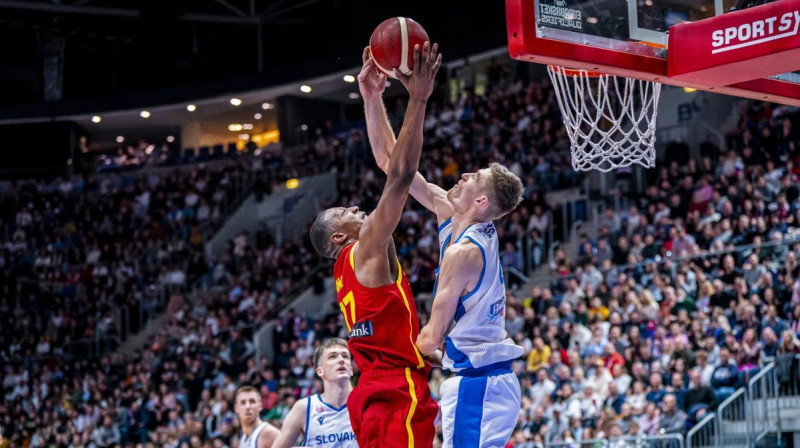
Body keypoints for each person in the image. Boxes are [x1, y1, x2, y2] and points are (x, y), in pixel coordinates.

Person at [359, 43, 524, 447]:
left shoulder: (462, 252)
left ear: (482, 202)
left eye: (474, 178)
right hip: (481, 382)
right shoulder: (452, 217)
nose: (464, 174)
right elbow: (392, 165)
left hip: (478, 384)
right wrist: (373, 97)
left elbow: (431, 339)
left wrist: (384, 354)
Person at [309, 41, 442, 448]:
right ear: (338, 236)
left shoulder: (347, 268)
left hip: (374, 393)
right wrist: (418, 98)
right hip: (394, 391)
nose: (354, 206)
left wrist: (371, 96)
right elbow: (399, 176)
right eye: (343, 211)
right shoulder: (364, 247)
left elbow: (388, 162)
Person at [273, 339, 357, 447]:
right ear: (320, 371)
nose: (341, 360)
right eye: (332, 356)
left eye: (345, 356)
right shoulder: (304, 408)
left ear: (351, 369)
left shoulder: (365, 402)